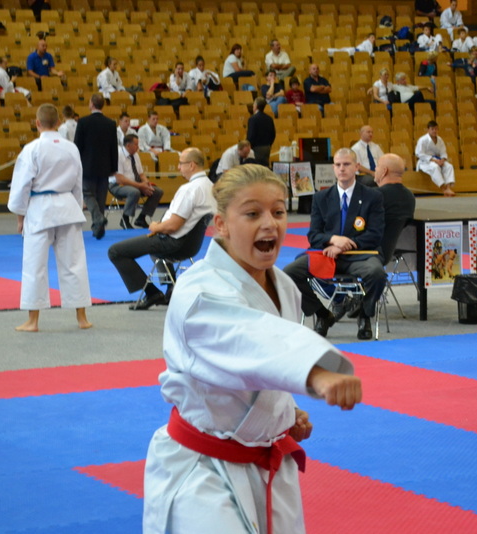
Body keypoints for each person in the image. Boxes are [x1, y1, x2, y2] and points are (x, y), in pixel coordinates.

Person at [142, 163, 362, 534]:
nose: (269, 223)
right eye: (252, 213)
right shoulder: (199, 291)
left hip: (268, 466)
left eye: (278, 212)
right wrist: (317, 373)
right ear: (221, 225)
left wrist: (283, 412)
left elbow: (259, 370)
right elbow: (249, 341)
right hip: (203, 471)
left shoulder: (285, 286)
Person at [283, 148, 386, 340]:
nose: (342, 169)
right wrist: (332, 240)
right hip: (327, 255)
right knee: (289, 273)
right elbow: (314, 235)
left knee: (377, 274)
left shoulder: (372, 196)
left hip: (360, 255)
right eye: (338, 165)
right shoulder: (321, 198)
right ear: (333, 168)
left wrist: (344, 245)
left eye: (346, 164)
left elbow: (375, 234)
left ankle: (364, 314)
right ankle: (323, 314)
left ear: (356, 167)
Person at [7, 103, 92, 332]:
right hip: (67, 207)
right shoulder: (71, 148)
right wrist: (76, 207)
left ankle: (33, 321)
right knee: (74, 263)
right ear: (59, 123)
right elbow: (78, 184)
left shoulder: (32, 149)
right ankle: (82, 318)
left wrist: (20, 218)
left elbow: (21, 187)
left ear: (37, 123)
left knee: (34, 265)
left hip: (39, 210)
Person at [108, 147, 216, 310]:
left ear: (192, 165)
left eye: (181, 164)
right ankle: (170, 289)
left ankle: (151, 293)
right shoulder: (210, 186)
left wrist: (156, 227)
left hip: (174, 242)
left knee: (115, 252)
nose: (178, 168)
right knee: (154, 250)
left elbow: (173, 226)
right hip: (191, 245)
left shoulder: (190, 189)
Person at [74, 93, 118, 239]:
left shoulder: (83, 122)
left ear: (91, 104)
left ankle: (98, 219)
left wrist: (76, 165)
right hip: (105, 166)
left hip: (87, 166)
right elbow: (114, 148)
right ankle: (98, 228)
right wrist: (114, 168)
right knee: (100, 197)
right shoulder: (110, 123)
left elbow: (77, 146)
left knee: (88, 194)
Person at [110, 133, 163, 230]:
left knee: (157, 191)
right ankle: (125, 220)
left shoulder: (135, 155)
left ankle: (141, 218)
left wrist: (147, 185)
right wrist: (140, 186)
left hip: (135, 184)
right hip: (117, 185)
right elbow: (120, 179)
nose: (138, 147)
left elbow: (141, 174)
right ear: (128, 145)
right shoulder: (118, 155)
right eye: (136, 144)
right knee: (134, 192)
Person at [374, 153, 416, 262]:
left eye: (377, 166)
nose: (375, 169)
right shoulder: (410, 197)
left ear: (384, 171)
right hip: (385, 254)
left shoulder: (374, 196)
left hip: (363, 253)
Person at [416, 120, 455, 196]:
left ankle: (448, 188)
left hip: (438, 160)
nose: (434, 131)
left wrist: (442, 160)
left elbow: (443, 152)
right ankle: (443, 189)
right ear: (428, 130)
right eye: (432, 129)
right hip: (425, 162)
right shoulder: (423, 140)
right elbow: (419, 154)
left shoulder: (440, 139)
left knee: (449, 166)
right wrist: (434, 160)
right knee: (435, 167)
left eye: (436, 129)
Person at [247, 96, 276, 166]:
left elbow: (251, 135)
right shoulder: (269, 118)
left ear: (256, 106)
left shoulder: (252, 119)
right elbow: (273, 134)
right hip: (267, 147)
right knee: (265, 167)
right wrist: (269, 144)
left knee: (257, 168)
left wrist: (249, 146)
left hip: (256, 148)